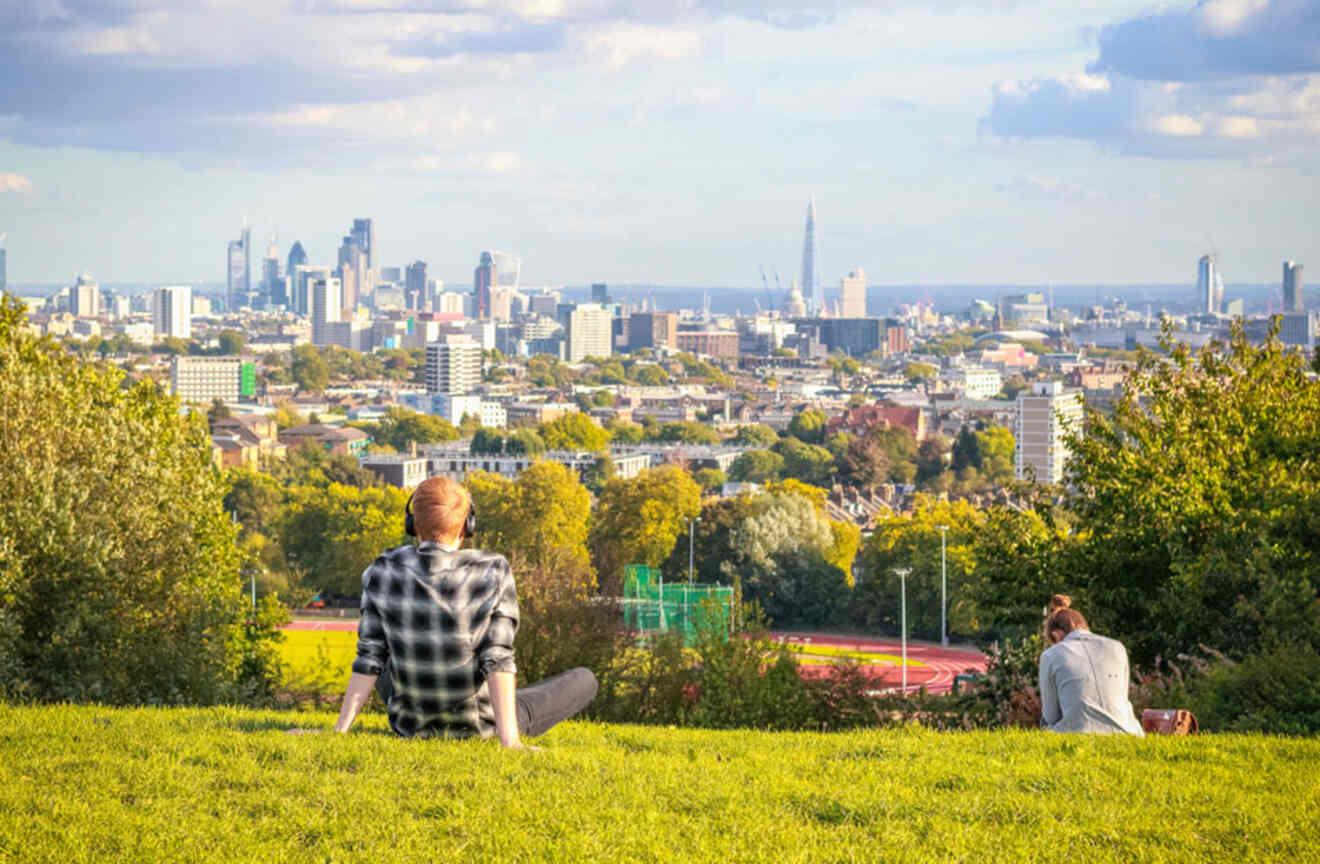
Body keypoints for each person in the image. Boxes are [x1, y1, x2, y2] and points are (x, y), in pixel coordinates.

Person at [332, 476, 597, 747]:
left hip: (410, 724)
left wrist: (339, 730)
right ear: (467, 526)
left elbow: (370, 656)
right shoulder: (492, 569)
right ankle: (504, 722)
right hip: (478, 725)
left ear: (412, 524)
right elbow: (497, 659)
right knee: (584, 680)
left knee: (384, 656)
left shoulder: (384, 567)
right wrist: (511, 741)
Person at [1038, 601, 1144, 736]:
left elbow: (1050, 715)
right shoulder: (1117, 647)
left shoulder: (1050, 655)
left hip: (1078, 732)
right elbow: (1121, 696)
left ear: (1056, 635)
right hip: (1128, 731)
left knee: (1045, 727)